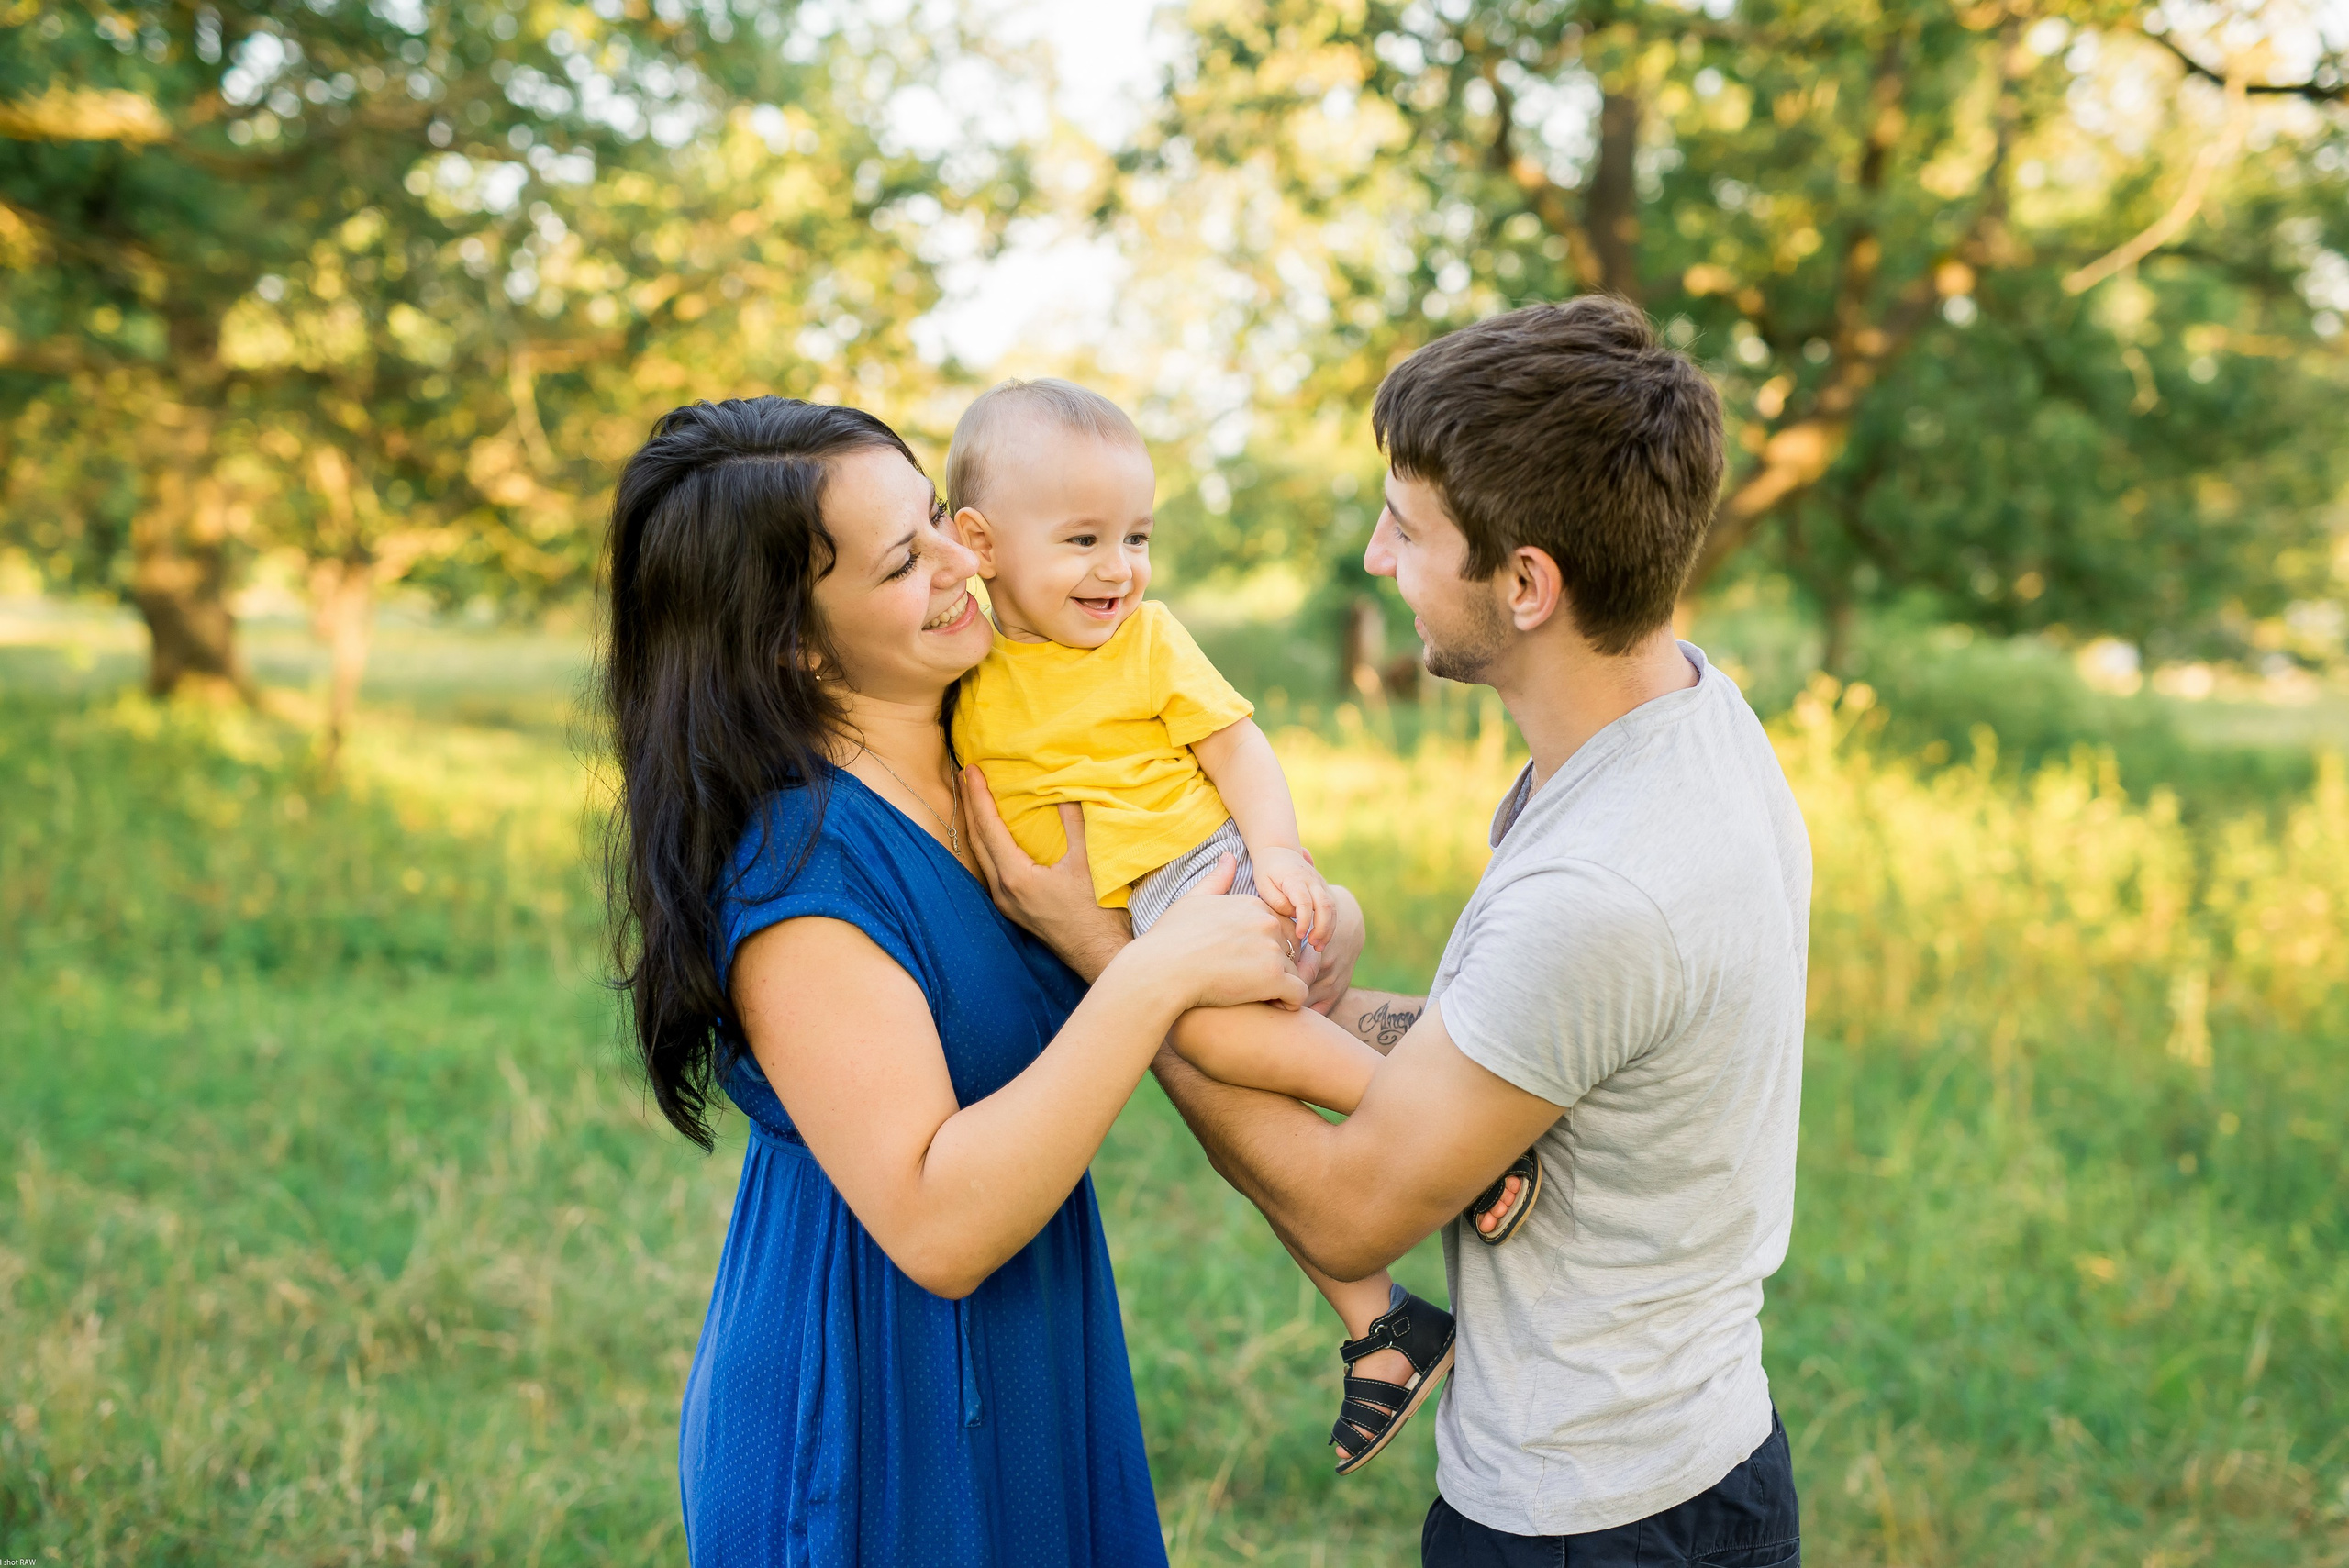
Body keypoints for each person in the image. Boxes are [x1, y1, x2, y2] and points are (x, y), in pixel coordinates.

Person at [963, 297, 1810, 1567]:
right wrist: (1286, 992)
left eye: (1407, 531)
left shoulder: (1603, 885)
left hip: (1590, 1518)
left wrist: (1109, 955)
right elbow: (1513, 1045)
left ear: (1527, 583)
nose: (1372, 558)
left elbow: (1352, 1215)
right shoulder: (1687, 722)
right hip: (1694, 1454)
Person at [599, 396, 1324, 1567]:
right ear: (793, 637)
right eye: (904, 560)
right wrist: (1147, 977)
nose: (961, 558)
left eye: (938, 517)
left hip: (1030, 1340)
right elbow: (936, 1223)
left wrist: (1285, 921)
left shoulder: (1001, 756)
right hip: (875, 1397)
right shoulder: (805, 872)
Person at [945, 376, 1536, 1473]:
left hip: (1204, 879)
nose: (1117, 566)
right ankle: (1383, 1325)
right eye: (1081, 538)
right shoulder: (966, 669)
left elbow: (1236, 750)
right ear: (977, 541)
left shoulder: (1145, 642)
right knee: (1234, 1099)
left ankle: (1453, 1137)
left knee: (1206, 1042)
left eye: (1135, 535)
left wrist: (1278, 856)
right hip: (1141, 919)